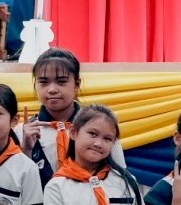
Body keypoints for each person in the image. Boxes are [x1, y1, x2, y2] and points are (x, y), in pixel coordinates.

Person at [24, 47, 124, 183]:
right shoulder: (23, 132)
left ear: (77, 84)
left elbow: (120, 179)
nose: (52, 89)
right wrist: (26, 150)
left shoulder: (101, 128)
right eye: (43, 82)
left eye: (61, 81)